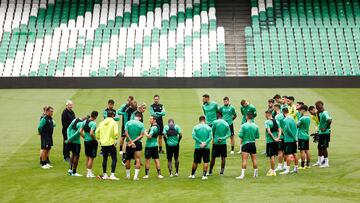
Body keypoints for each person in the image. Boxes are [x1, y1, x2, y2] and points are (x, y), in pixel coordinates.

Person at [96, 111, 120, 180]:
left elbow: (96, 132)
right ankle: (112, 175)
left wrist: (99, 139)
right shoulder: (114, 122)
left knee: (105, 159)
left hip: (103, 143)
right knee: (114, 158)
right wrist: (115, 139)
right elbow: (116, 132)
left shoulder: (101, 123)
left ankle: (105, 174)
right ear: (113, 116)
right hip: (111, 143)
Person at [236, 112, 259, 179]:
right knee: (254, 159)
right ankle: (255, 174)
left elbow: (240, 135)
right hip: (253, 144)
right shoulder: (255, 126)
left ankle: (242, 175)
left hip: (246, 144)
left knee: (244, 160)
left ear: (246, 117)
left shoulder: (243, 125)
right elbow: (257, 136)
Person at [189, 116, 212, 180]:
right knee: (206, 161)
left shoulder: (195, 127)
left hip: (198, 147)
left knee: (195, 161)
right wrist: (204, 143)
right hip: (206, 147)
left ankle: (192, 175)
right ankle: (204, 175)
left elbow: (193, 136)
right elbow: (210, 137)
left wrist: (200, 142)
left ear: (199, 120)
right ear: (205, 120)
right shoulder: (208, 127)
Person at [125, 112, 145, 181]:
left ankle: (128, 176)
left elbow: (126, 133)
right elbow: (142, 135)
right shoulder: (141, 124)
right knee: (138, 159)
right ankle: (135, 176)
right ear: (140, 117)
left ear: (134, 116)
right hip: (137, 143)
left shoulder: (128, 123)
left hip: (128, 143)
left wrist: (130, 141)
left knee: (128, 159)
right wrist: (134, 141)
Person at [279, 108, 299, 175]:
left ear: (283, 112)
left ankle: (287, 170)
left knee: (287, 154)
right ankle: (296, 168)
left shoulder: (285, 120)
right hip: (293, 139)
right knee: (294, 153)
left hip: (288, 139)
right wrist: (295, 138)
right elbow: (296, 128)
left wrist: (293, 137)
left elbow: (288, 129)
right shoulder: (292, 119)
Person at [80, 111, 98, 178]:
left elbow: (80, 131)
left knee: (87, 157)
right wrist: (95, 139)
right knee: (91, 157)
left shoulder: (84, 122)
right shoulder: (93, 123)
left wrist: (84, 137)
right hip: (91, 142)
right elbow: (91, 133)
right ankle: (89, 173)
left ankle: (88, 172)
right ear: (96, 116)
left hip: (86, 141)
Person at [315, 100, 332, 168]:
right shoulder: (320, 113)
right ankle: (319, 162)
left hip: (325, 133)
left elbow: (329, 120)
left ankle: (326, 163)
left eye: (317, 107)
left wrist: (325, 128)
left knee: (324, 147)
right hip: (321, 133)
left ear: (320, 106)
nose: (317, 108)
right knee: (319, 147)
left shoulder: (325, 113)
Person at [264, 110, 281, 177]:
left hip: (270, 141)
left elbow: (269, 131)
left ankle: (273, 171)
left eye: (265, 114)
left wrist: (274, 138)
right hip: (276, 140)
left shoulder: (267, 122)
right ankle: (272, 169)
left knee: (272, 156)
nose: (265, 116)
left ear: (268, 114)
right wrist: (278, 138)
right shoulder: (276, 121)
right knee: (273, 155)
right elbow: (279, 130)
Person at [297, 105, 311, 169]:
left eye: (300, 110)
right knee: (307, 150)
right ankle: (308, 164)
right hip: (306, 135)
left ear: (303, 110)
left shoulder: (302, 118)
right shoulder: (308, 117)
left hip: (301, 136)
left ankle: (302, 165)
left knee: (302, 151)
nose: (300, 111)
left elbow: (297, 125)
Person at [274, 104, 286, 171]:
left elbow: (279, 127)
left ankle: (279, 166)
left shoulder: (277, 116)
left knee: (280, 151)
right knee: (285, 151)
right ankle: (285, 165)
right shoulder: (283, 115)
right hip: (286, 136)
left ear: (276, 107)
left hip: (281, 136)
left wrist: (279, 136)